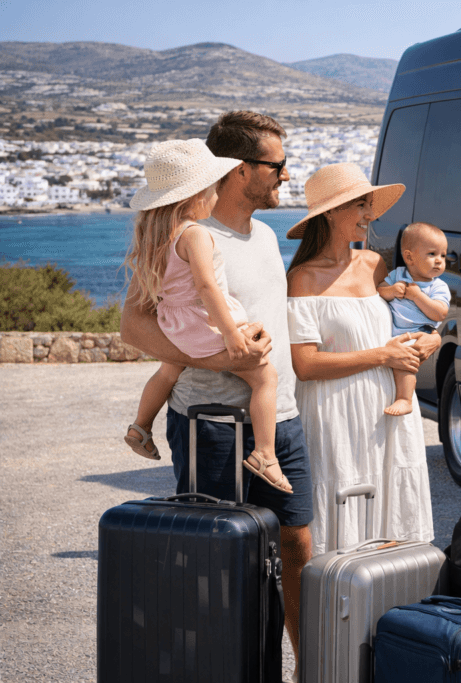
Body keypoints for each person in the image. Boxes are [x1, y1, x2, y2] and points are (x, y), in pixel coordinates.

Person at [120, 111, 313, 675]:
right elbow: (134, 327)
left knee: (297, 544)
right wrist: (219, 357)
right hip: (213, 424)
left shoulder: (268, 234)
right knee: (218, 555)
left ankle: (300, 665)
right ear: (238, 170)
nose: (284, 175)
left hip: (281, 418)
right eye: (276, 165)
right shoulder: (187, 237)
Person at [285, 163, 439, 557]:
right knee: (339, 532)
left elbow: (406, 322)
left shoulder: (374, 265)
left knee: (390, 532)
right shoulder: (302, 278)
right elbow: (305, 365)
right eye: (359, 205)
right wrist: (382, 355)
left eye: (368, 205)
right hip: (334, 415)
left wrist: (429, 341)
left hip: (386, 410)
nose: (369, 215)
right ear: (330, 212)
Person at [122, 139, 291, 493]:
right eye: (213, 188)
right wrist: (230, 333)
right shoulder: (196, 234)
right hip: (203, 321)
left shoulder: (155, 237)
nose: (216, 195)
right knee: (264, 377)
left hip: (177, 326)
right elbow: (208, 287)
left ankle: (140, 425)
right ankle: (264, 453)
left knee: (170, 368)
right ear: (195, 195)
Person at [376, 222, 450, 416]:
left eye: (443, 255)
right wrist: (391, 290)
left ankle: (405, 399)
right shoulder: (397, 275)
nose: (439, 261)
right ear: (409, 257)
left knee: (404, 364)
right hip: (392, 332)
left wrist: (418, 296)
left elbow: (440, 313)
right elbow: (379, 291)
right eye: (432, 254)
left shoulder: (438, 287)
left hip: (419, 333)